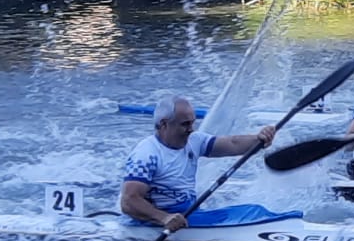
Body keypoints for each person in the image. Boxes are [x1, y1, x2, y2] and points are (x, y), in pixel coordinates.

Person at [118, 96, 276, 230]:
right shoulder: (146, 155)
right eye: (185, 124)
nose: (191, 129)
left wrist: (259, 139)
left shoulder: (194, 141)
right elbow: (128, 201)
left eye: (192, 123)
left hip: (187, 214)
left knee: (255, 211)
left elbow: (233, 143)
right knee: (253, 213)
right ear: (164, 124)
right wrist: (164, 218)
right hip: (155, 222)